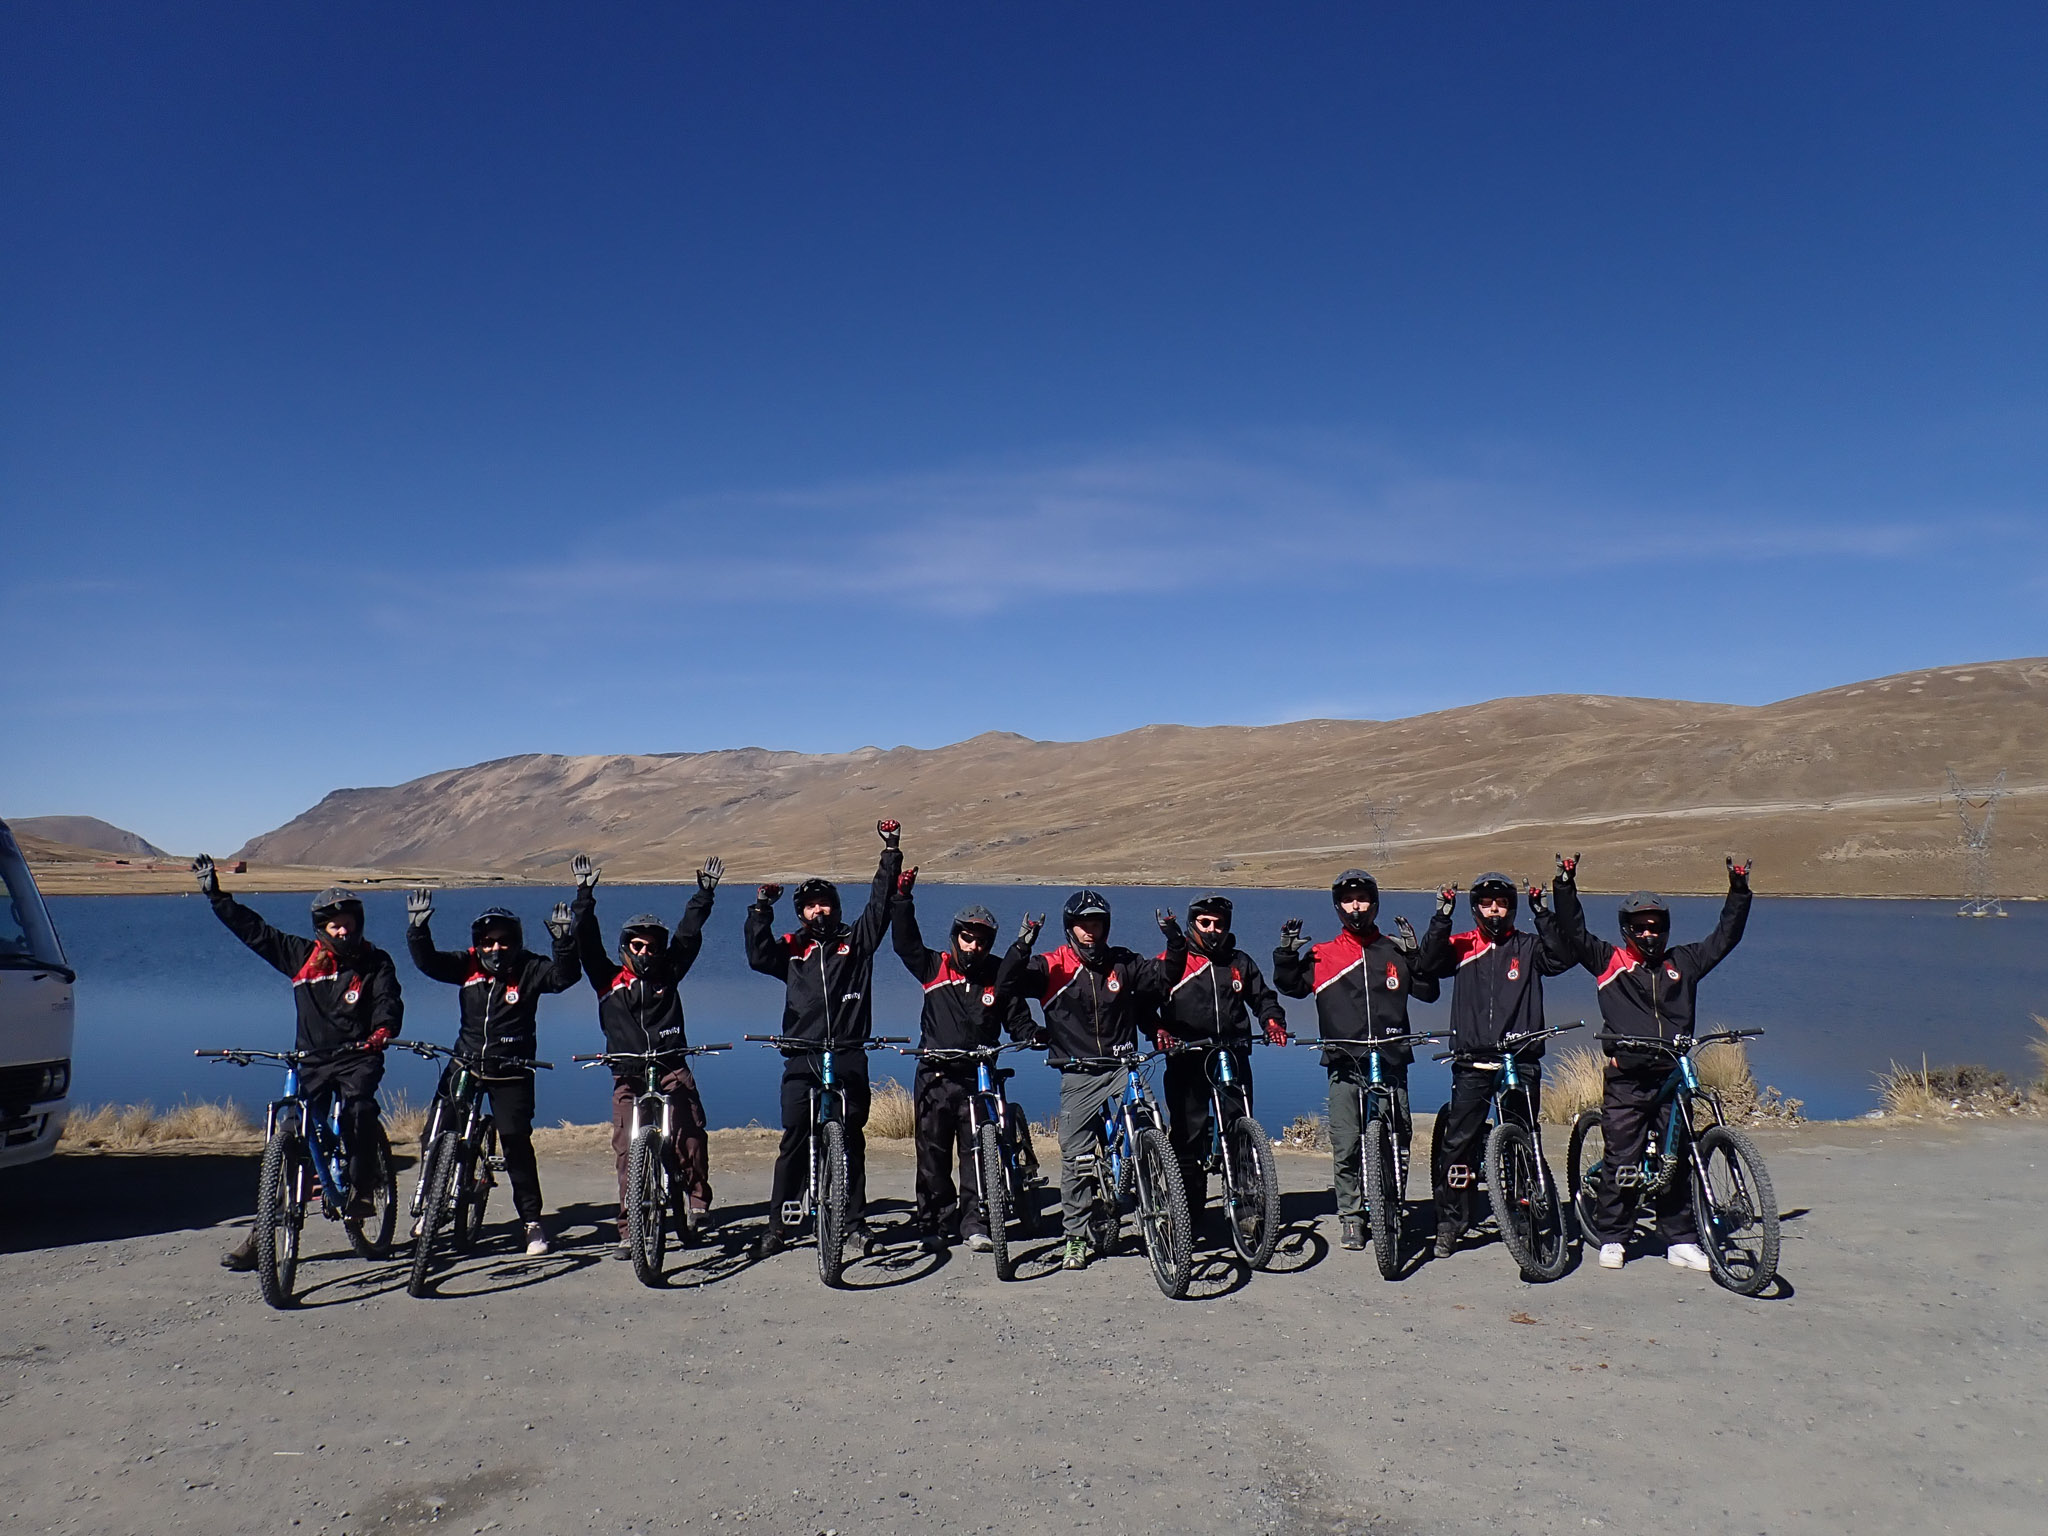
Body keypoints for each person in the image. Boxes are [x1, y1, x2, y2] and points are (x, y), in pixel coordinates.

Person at [192, 855, 402, 1271]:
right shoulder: (301, 957)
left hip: (358, 1057)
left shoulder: (375, 962)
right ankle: (262, 1235)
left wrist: (381, 1033)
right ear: (321, 927)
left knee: (359, 1108)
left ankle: (362, 1190)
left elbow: (388, 1002)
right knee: (288, 1139)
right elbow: (256, 933)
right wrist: (216, 896)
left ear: (358, 923)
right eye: (333, 924)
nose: (341, 930)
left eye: (347, 922)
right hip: (312, 1059)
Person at [1550, 852, 1754, 1272]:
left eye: (1656, 926)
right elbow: (1573, 929)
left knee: (1677, 1157)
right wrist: (1565, 884)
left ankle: (1679, 1238)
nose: (1650, 934)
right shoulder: (1610, 961)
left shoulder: (1685, 962)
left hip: (1670, 1076)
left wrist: (1738, 890)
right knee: (1622, 1158)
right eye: (1641, 927)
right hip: (1627, 1078)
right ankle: (1613, 1236)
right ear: (1627, 929)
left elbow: (1726, 937)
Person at [996, 890, 1186, 1271]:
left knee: (1151, 1125)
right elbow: (1006, 984)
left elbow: (1164, 978)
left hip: (1122, 1066)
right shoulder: (1052, 965)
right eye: (1083, 925)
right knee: (1077, 1158)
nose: (1090, 932)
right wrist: (1021, 945)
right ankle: (1076, 1238)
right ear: (1071, 928)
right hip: (1078, 1070)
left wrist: (1174, 939)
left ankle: (1164, 1207)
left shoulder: (1124, 962)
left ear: (1106, 927)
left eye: (1096, 924)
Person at [744, 820, 904, 1258]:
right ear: (801, 913)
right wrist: (760, 910)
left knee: (851, 1138)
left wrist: (890, 852)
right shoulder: (792, 949)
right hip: (802, 1054)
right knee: (794, 1136)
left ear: (835, 907)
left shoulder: (857, 942)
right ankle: (777, 1227)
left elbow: (880, 905)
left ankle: (853, 1224)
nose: (820, 911)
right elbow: (757, 957)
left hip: (849, 1053)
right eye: (811, 906)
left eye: (825, 904)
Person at [405, 890, 580, 1256]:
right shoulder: (466, 965)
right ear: (477, 944)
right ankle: (429, 1206)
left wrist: (564, 943)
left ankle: (531, 1223)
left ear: (516, 942)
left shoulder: (530, 968)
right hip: (466, 1062)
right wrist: (418, 931)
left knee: (515, 1141)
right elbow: (429, 963)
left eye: (504, 941)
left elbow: (565, 978)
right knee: (437, 1131)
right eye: (488, 941)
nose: (495, 948)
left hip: (511, 1069)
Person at [1271, 870, 1439, 1252]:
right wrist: (1285, 955)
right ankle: (1352, 1217)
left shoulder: (1393, 949)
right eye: (1348, 900)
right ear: (1338, 907)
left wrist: (1417, 957)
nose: (1356, 906)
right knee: (1346, 1144)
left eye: (1363, 898)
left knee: (1397, 1138)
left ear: (1374, 902)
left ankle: (1391, 1206)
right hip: (1344, 1059)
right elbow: (1292, 987)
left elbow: (1429, 992)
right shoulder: (1323, 954)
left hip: (1392, 1057)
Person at [568, 851, 724, 1257]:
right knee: (626, 1149)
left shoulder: (668, 973)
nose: (645, 952)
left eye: (652, 946)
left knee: (690, 1133)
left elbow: (688, 937)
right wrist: (584, 894)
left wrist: (703, 895)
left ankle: (697, 1201)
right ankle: (628, 1229)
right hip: (628, 1074)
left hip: (671, 1067)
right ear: (625, 947)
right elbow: (584, 940)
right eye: (637, 945)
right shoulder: (607, 979)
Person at [1415, 871, 1575, 1259]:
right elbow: (1429, 963)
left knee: (1523, 1139)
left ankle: (1525, 1215)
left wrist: (1542, 912)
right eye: (1487, 903)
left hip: (1519, 1059)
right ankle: (1451, 1223)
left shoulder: (1529, 946)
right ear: (1476, 909)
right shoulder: (1463, 944)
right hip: (1472, 1060)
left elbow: (1562, 958)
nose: (1494, 910)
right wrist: (1441, 917)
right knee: (1458, 1144)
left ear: (1511, 908)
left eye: (1501, 903)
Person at [891, 868, 1036, 1252]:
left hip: (979, 1077)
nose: (973, 946)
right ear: (955, 936)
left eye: (982, 941)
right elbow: (905, 943)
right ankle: (935, 1223)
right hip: (936, 1075)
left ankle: (975, 1222)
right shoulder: (934, 966)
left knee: (977, 1152)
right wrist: (902, 899)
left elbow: (1017, 1017)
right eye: (966, 937)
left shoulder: (998, 976)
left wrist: (1031, 1035)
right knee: (932, 1156)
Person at [1153, 893, 1287, 1224]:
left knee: (1240, 1130)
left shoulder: (1239, 962)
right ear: (1191, 924)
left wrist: (1272, 1022)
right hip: (1188, 1057)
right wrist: (1158, 1030)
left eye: (1219, 924)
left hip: (1233, 1053)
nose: (1213, 930)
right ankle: (1188, 1213)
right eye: (1205, 923)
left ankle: (1244, 1207)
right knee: (1188, 1135)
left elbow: (1263, 998)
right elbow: (1145, 1002)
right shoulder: (1172, 963)